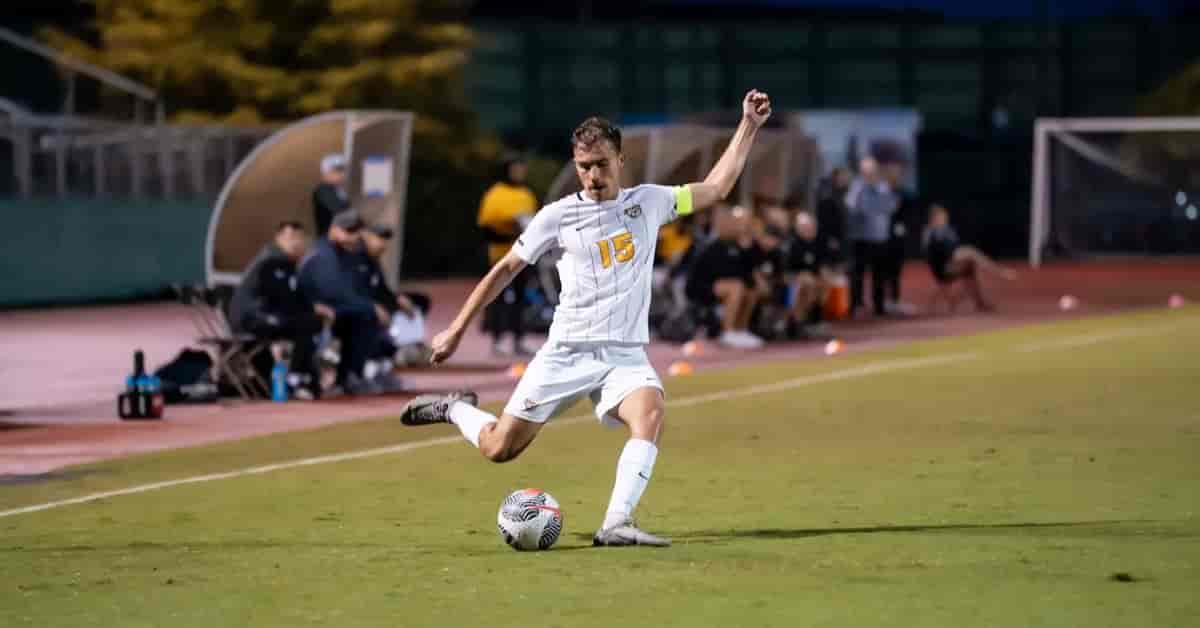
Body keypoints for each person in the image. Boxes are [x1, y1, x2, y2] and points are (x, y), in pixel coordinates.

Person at [399, 90, 773, 547]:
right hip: (566, 351)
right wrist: (456, 330)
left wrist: (748, 127)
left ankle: (616, 523)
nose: (592, 175)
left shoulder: (650, 202)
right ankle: (455, 406)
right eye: (583, 166)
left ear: (620, 158)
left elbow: (715, 188)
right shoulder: (556, 216)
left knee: (651, 411)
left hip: (624, 355)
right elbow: (504, 270)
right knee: (500, 449)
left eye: (600, 163)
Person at [229, 221, 331, 399]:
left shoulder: (288, 264)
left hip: (265, 316)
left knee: (310, 321)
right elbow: (281, 299)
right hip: (251, 318)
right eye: (289, 237)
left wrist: (314, 307)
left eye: (298, 238)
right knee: (308, 323)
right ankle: (296, 378)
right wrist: (310, 310)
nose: (295, 242)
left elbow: (295, 296)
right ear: (278, 239)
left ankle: (305, 378)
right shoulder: (271, 260)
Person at [297, 211, 387, 395]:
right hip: (311, 311)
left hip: (333, 311)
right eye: (348, 230)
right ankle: (345, 376)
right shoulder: (323, 253)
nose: (352, 236)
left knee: (365, 318)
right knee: (365, 316)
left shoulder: (346, 253)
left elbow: (354, 289)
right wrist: (370, 307)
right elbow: (334, 291)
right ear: (334, 229)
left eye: (355, 231)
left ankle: (352, 375)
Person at [477, 154, 539, 356]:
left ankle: (518, 339)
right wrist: (511, 229)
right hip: (500, 255)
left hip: (523, 255)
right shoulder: (495, 194)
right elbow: (485, 229)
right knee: (498, 296)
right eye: (515, 168)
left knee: (521, 298)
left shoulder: (527, 194)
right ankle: (496, 340)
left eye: (522, 168)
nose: (519, 172)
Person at [685, 206, 768, 349]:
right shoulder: (712, 245)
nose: (741, 227)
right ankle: (727, 332)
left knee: (751, 289)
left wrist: (747, 248)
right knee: (736, 286)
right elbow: (719, 273)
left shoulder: (739, 244)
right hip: (700, 287)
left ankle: (741, 330)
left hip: (725, 285)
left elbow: (749, 268)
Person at [358, 224, 433, 367]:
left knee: (418, 301)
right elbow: (353, 291)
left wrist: (398, 299)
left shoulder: (374, 260)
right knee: (375, 316)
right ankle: (398, 348)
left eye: (385, 239)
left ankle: (412, 343)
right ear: (366, 237)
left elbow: (382, 289)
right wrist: (372, 306)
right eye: (379, 238)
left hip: (375, 301)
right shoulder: (358, 259)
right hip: (361, 305)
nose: (383, 243)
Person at [922, 204, 1017, 312]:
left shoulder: (946, 230)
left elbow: (954, 247)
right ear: (934, 218)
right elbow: (933, 254)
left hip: (952, 263)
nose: (945, 218)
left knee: (970, 265)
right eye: (942, 217)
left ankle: (979, 302)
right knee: (970, 253)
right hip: (942, 269)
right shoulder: (931, 232)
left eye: (945, 216)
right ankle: (1000, 272)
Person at [845, 156, 900, 317]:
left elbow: (891, 207)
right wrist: (862, 189)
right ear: (861, 173)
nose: (869, 175)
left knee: (879, 273)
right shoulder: (856, 187)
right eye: (865, 172)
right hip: (860, 238)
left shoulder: (883, 187)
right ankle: (855, 306)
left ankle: (879, 306)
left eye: (871, 172)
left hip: (879, 237)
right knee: (857, 274)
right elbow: (851, 206)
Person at [784, 211, 836, 338]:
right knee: (807, 283)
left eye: (811, 227)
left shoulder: (820, 241)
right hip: (794, 279)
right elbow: (787, 270)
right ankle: (796, 322)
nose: (809, 230)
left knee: (825, 281)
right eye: (805, 227)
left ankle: (815, 319)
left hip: (813, 277)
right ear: (798, 228)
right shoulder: (792, 243)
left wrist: (824, 272)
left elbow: (824, 263)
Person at [816, 167, 851, 265]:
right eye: (843, 177)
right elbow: (823, 221)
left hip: (846, 240)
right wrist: (829, 238)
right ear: (836, 178)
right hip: (833, 240)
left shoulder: (848, 194)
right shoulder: (827, 196)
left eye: (846, 177)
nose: (845, 179)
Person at [313, 154, 350, 236]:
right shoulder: (322, 191)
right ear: (326, 172)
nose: (342, 174)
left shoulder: (338, 190)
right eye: (337, 171)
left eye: (343, 170)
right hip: (328, 239)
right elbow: (341, 211)